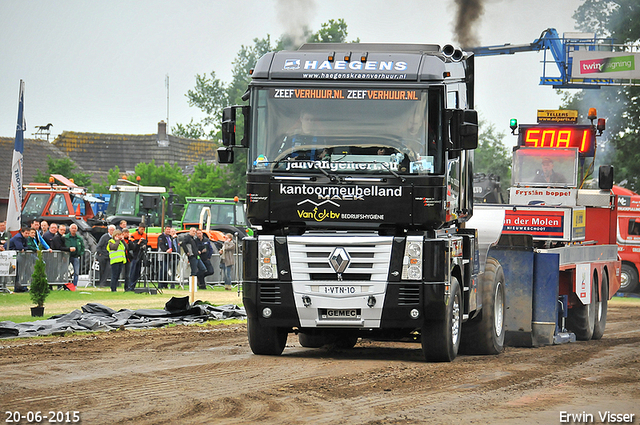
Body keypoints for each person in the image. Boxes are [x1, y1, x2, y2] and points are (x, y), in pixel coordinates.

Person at [8, 226, 30, 292]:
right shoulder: (18, 237)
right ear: (22, 232)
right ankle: (17, 287)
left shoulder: (25, 238)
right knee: (16, 272)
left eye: (28, 233)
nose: (27, 235)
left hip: (17, 255)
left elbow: (27, 247)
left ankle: (20, 287)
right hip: (9, 255)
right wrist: (23, 248)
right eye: (26, 233)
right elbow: (19, 247)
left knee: (20, 271)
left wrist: (24, 248)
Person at [64, 224, 85, 288]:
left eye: (75, 228)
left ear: (77, 229)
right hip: (67, 257)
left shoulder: (79, 238)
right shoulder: (66, 238)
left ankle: (74, 285)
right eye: (72, 228)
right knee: (64, 271)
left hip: (75, 257)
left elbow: (82, 247)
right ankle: (64, 285)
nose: (73, 230)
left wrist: (80, 253)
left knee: (76, 272)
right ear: (70, 229)